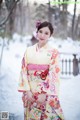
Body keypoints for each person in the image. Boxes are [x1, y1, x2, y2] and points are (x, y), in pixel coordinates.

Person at [18, 21, 64, 120]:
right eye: (40, 31)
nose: (42, 35)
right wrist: (27, 91)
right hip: (30, 92)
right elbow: (23, 71)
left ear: (50, 35)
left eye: (46, 33)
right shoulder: (28, 50)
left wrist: (43, 92)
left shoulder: (53, 52)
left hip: (46, 93)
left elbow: (53, 73)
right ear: (37, 32)